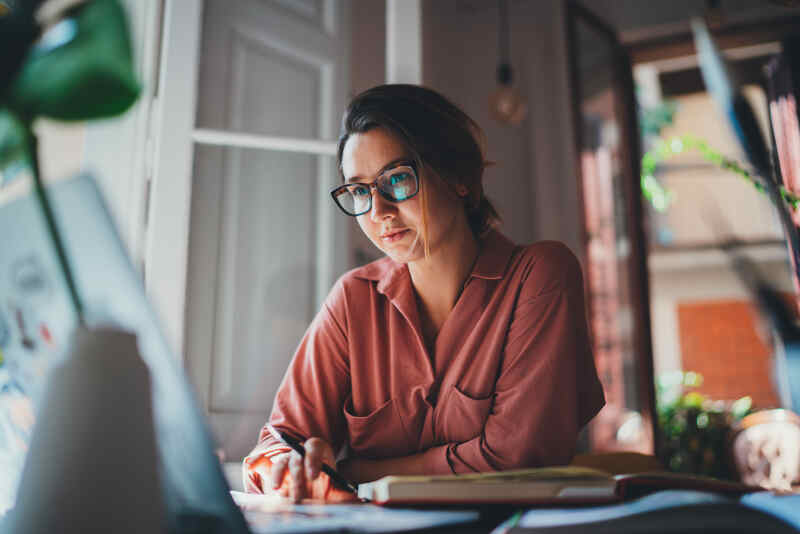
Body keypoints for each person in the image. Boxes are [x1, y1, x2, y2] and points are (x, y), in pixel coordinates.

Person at [243, 84, 605, 503]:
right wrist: (286, 466)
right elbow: (279, 441)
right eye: (360, 191)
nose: (378, 212)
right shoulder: (352, 301)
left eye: (397, 180)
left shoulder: (540, 277)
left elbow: (517, 458)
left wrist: (354, 471)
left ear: (461, 178)